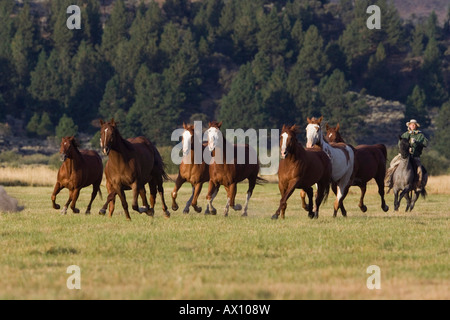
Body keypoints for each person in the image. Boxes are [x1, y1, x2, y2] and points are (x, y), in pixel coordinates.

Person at [385, 119, 428, 190]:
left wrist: (417, 142)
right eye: (411, 124)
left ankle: (418, 185)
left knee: (419, 170)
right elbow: (399, 144)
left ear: (416, 126)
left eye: (414, 124)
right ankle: (389, 181)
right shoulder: (405, 134)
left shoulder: (420, 135)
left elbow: (426, 143)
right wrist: (406, 149)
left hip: (415, 156)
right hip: (404, 156)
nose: (413, 125)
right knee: (393, 164)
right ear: (409, 126)